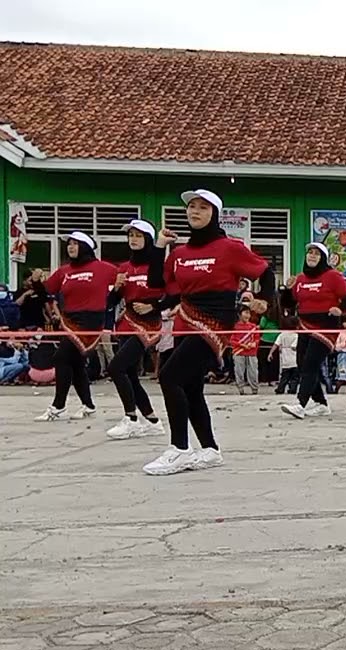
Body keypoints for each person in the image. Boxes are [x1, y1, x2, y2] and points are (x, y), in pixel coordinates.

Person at [143, 189, 274, 476]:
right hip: (185, 322)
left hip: (215, 324)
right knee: (190, 387)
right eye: (191, 207)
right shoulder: (180, 253)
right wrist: (158, 246)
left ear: (214, 213)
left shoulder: (230, 248)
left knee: (169, 376)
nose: (195, 211)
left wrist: (265, 299)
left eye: (202, 207)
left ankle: (179, 448)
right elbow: (156, 282)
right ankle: (210, 449)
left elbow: (265, 271)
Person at [33, 232, 119, 422]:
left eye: (75, 243)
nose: (70, 247)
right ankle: (88, 405)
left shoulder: (104, 268)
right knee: (76, 363)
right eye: (69, 244)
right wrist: (37, 281)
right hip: (68, 320)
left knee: (61, 357)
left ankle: (58, 406)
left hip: (91, 321)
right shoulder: (64, 271)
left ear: (86, 247)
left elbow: (124, 283)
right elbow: (46, 292)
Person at [102, 219, 169, 439]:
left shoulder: (158, 266)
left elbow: (173, 296)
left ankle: (130, 418)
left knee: (115, 367)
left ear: (148, 239)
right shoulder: (124, 268)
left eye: (138, 235)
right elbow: (110, 302)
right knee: (129, 374)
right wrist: (117, 288)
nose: (133, 239)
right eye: (130, 235)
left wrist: (153, 306)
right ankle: (152, 420)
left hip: (149, 324)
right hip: (126, 322)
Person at [279, 242, 346, 419]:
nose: (311, 256)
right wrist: (287, 290)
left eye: (316, 254)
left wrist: (340, 310)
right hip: (304, 326)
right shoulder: (301, 279)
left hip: (326, 327)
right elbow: (288, 304)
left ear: (323, 258)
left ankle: (300, 404)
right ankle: (321, 403)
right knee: (302, 363)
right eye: (309, 253)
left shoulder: (333, 276)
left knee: (311, 363)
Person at [230, 307, 261, 394]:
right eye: (245, 313)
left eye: (248, 313)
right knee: (239, 371)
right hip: (239, 352)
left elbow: (257, 338)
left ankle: (254, 389)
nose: (247, 315)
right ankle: (240, 389)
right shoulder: (235, 326)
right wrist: (242, 345)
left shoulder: (253, 327)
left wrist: (254, 343)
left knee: (253, 371)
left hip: (251, 352)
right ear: (240, 315)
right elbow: (231, 340)